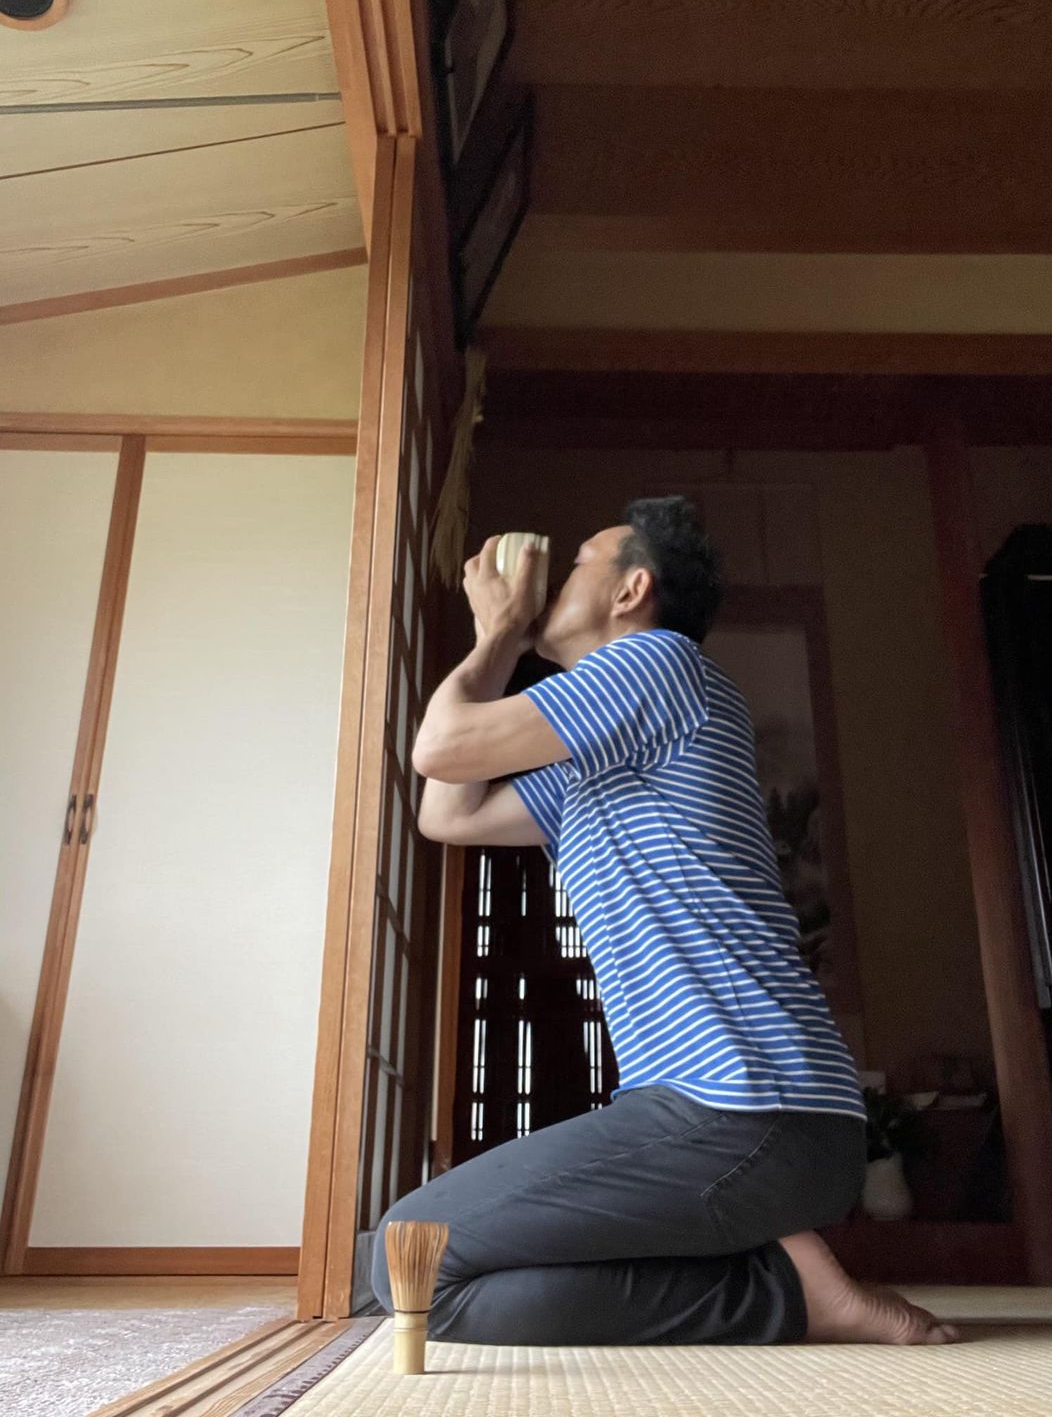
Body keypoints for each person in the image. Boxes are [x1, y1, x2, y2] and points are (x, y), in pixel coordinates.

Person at [365, 496, 960, 1347]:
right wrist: (499, 640)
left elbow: (439, 748)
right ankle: (784, 1277)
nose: (554, 580)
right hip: (730, 1120)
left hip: (747, 1108)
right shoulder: (597, 752)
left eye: (578, 562)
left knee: (404, 1255)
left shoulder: (659, 663)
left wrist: (497, 634)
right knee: (428, 1281)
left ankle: (784, 1297)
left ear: (631, 589)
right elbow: (447, 812)